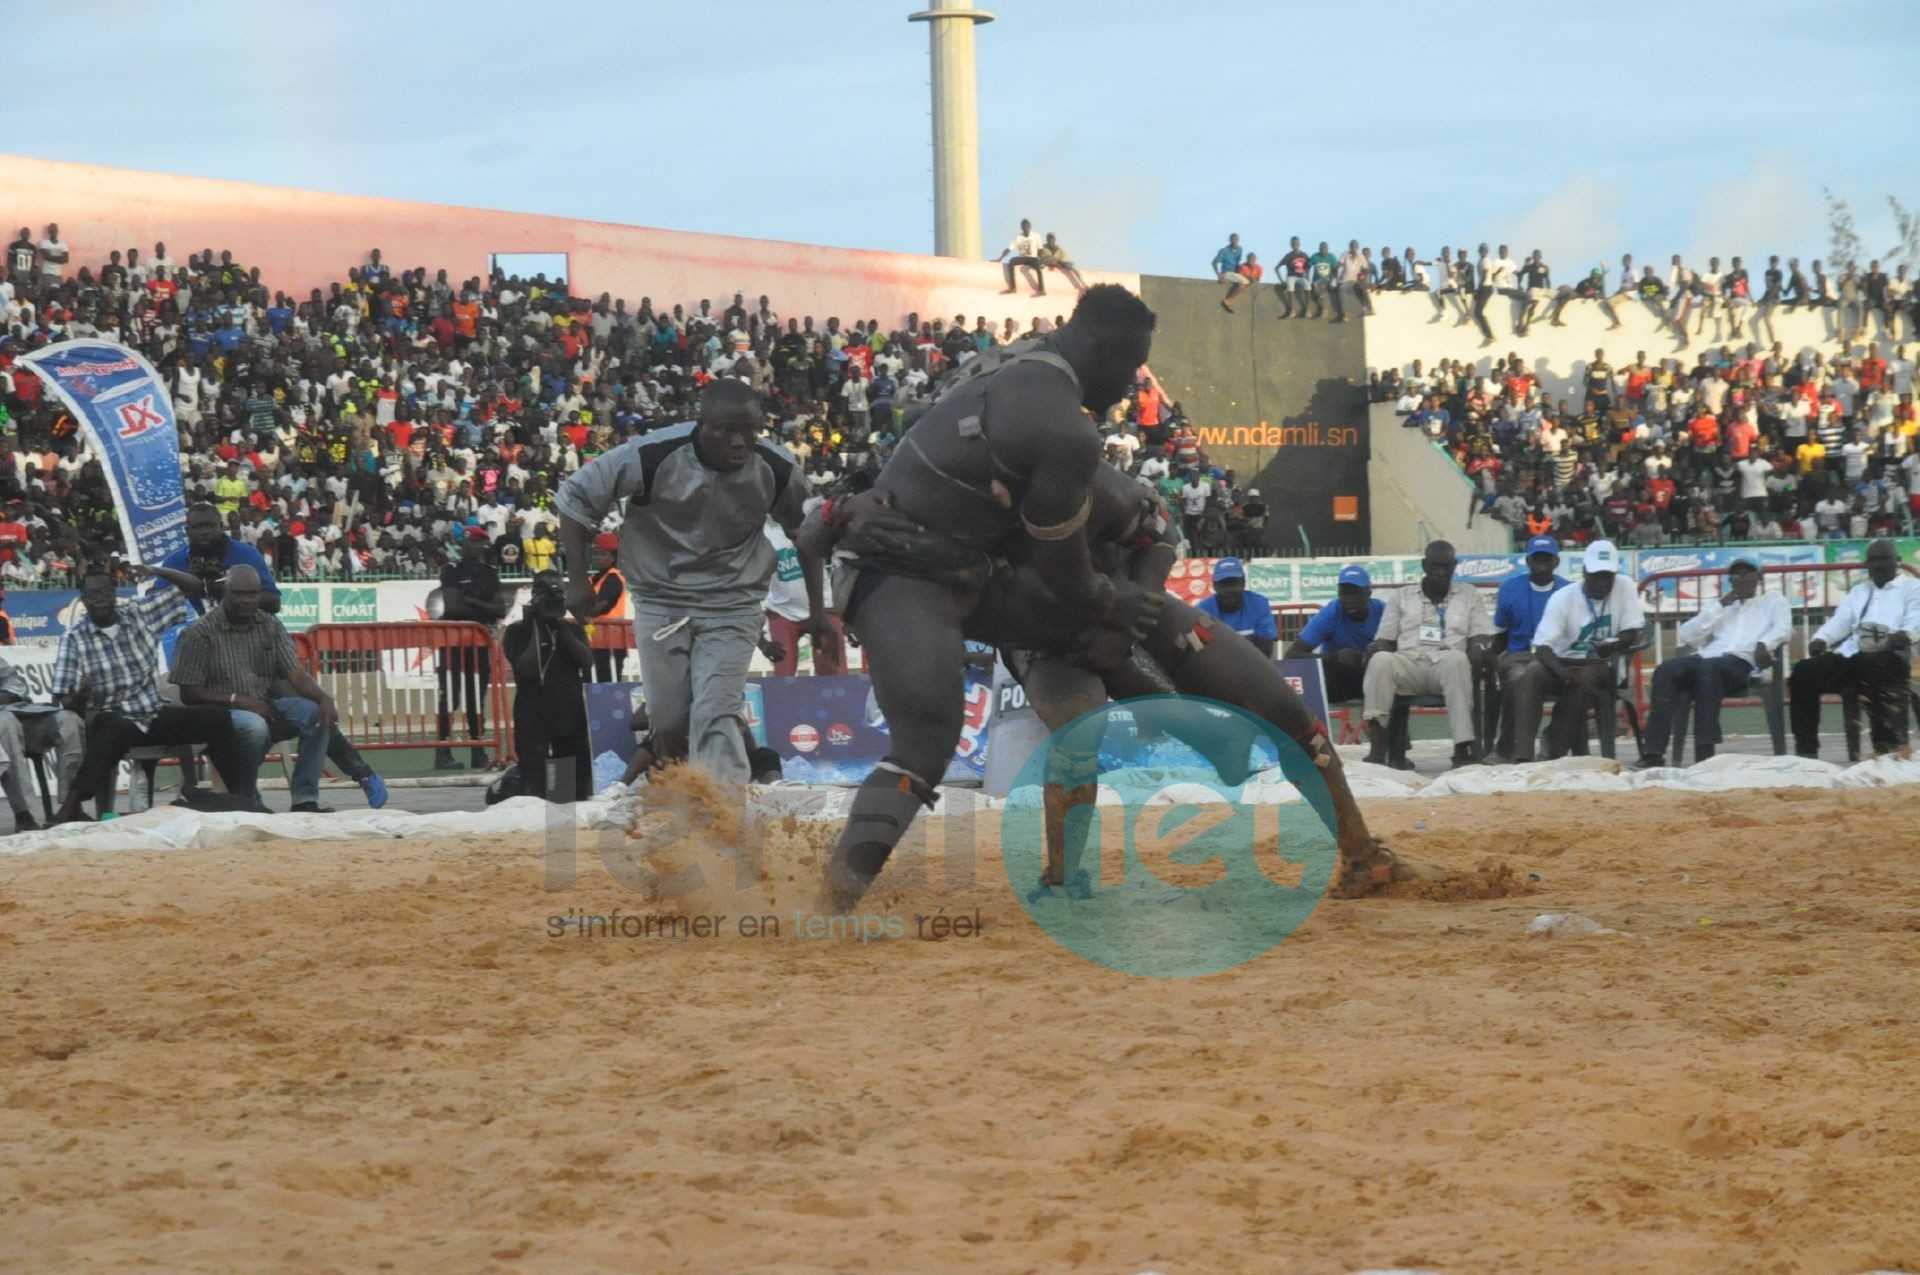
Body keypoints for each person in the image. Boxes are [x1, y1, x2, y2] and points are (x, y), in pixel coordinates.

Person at [813, 286, 1167, 911]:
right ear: (1106, 350)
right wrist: (1113, 602)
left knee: (1098, 657)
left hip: (974, 566)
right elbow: (1064, 573)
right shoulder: (1065, 432)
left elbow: (1134, 546)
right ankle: (830, 902)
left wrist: (1118, 606)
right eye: (1132, 367)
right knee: (927, 739)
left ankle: (1070, 860)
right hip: (903, 566)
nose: (1133, 386)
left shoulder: (1015, 362)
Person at [555, 379, 826, 784]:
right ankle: (686, 798)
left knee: (716, 711)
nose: (740, 441)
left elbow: (808, 534)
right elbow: (575, 498)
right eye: (726, 430)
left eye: (750, 430)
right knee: (666, 722)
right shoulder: (651, 454)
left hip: (733, 602)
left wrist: (818, 611)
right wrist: (577, 580)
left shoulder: (777, 466)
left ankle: (725, 817)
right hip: (661, 600)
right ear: (701, 424)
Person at [168, 565, 387, 813]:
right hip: (218, 713)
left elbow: (295, 674)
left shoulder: (269, 625)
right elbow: (189, 694)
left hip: (264, 704)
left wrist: (323, 697)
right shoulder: (199, 633)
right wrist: (239, 700)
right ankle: (248, 799)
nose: (247, 600)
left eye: (253, 594)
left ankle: (305, 800)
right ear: (225, 594)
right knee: (254, 725)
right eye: (239, 593)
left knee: (316, 714)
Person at [49, 570, 247, 823]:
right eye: (93, 594)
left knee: (216, 718)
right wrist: (80, 697)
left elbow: (193, 586)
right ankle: (71, 806)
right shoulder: (74, 638)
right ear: (84, 599)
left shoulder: (139, 614)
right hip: (111, 717)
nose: (100, 599)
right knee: (116, 728)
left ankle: (239, 795)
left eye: (106, 592)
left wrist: (155, 571)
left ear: (115, 595)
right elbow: (63, 701)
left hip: (153, 713)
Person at [1639, 556, 1791, 766]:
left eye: (1747, 573)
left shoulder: (1773, 600)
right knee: (1666, 670)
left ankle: (1705, 749)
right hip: (1707, 658)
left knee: (1710, 668)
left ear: (1759, 578)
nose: (1741, 578)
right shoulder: (1720, 606)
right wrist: (1720, 606)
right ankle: (1653, 753)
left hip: (1743, 663)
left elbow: (1784, 628)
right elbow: (1687, 636)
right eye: (1736, 574)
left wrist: (1765, 643)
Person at [1361, 539, 1494, 769]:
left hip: (1447, 664)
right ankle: (1377, 747)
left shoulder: (1469, 594)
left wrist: (1478, 648)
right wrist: (1376, 648)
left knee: (1458, 659)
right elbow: (1386, 639)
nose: (1441, 573)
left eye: (1447, 566)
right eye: (1436, 566)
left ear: (1455, 566)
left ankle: (1463, 749)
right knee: (1381, 660)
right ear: (1424, 565)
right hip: (1409, 663)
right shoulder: (1401, 597)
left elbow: (1480, 635)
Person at [1511, 541, 1646, 763]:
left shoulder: (1625, 586)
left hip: (1605, 665)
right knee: (1532, 674)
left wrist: (1611, 645)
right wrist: (1561, 672)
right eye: (1596, 576)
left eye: (1608, 576)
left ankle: (1553, 749)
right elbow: (1543, 646)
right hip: (1563, 663)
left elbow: (1633, 632)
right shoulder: (1563, 597)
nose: (1602, 583)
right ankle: (1523, 756)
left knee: (1584, 677)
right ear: (1584, 572)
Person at [1789, 538, 1920, 758]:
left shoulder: (1912, 587)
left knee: (1878, 668)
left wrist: (1905, 634)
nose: (1878, 565)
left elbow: (1917, 617)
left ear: (1896, 561)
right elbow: (1840, 621)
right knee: (1804, 672)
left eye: (1884, 559)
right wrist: (1821, 638)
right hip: (1853, 656)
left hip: (1891, 655)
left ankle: (1886, 749)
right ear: (1866, 565)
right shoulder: (1859, 591)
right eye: (1873, 560)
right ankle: (1807, 751)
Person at [503, 570, 593, 801]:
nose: (553, 599)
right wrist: (536, 625)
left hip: (568, 714)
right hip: (533, 715)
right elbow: (527, 669)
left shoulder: (572, 630)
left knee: (566, 792)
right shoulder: (517, 631)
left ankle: (562, 832)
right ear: (534, 595)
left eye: (558, 593)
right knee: (534, 788)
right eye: (546, 593)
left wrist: (560, 626)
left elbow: (586, 661)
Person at [435, 526, 511, 769]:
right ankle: (443, 751)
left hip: (477, 644)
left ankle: (478, 748)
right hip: (454, 642)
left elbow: (500, 609)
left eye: (476, 543)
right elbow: (453, 606)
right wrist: (482, 608)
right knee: (450, 696)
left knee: (476, 697)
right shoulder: (450, 571)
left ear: (483, 545)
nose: (471, 547)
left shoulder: (489, 573)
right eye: (467, 543)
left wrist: (471, 600)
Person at [1489, 536, 1570, 761]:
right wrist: (1490, 657)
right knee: (1519, 677)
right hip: (1519, 655)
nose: (1542, 563)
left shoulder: (1569, 590)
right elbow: (1500, 635)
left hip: (1558, 656)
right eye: (1537, 558)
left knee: (1575, 682)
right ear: (1527, 561)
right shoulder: (1509, 589)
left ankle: (1551, 739)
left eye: (1547, 558)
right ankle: (1508, 746)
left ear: (1556, 561)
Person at [147, 502, 282, 616]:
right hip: (197, 636)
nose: (204, 532)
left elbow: (274, 602)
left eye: (210, 526)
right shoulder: (174, 561)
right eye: (197, 527)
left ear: (222, 528)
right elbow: (152, 605)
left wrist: (228, 592)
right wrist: (186, 584)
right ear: (187, 531)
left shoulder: (247, 554)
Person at [0, 654, 83, 831]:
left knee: (68, 720)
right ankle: (25, 814)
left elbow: (14, 683)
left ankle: (71, 805)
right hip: (5, 724)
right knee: (7, 725)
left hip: (16, 710)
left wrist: (7, 694)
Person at [1282, 564, 1382, 704]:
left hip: (1375, 675)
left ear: (1368, 594)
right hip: (1338, 679)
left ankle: (1395, 726)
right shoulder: (1330, 613)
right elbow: (1292, 655)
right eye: (1344, 593)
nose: (1349, 598)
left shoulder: (1384, 611)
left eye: (1355, 592)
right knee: (1317, 675)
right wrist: (1333, 657)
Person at [764, 516, 844, 675]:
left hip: (824, 606)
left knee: (833, 671)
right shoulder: (761, 527)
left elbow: (841, 561)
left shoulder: (814, 516)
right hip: (783, 610)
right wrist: (761, 641)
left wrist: (850, 617)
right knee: (783, 675)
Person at [1196, 557, 1277, 656]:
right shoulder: (1203, 609)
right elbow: (1198, 648)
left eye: (1234, 583)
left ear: (1243, 583)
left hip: (1252, 665)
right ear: (1215, 586)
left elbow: (1266, 650)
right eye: (1224, 585)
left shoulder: (1259, 605)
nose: (1230, 590)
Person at [586, 531, 629, 683]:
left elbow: (599, 606)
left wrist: (581, 612)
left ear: (613, 557)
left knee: (608, 682)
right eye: (595, 553)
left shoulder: (613, 578)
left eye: (602, 554)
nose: (597, 557)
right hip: (598, 639)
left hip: (611, 641)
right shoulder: (596, 578)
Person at [997, 219, 1045, 296]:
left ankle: (1042, 289)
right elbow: (1009, 249)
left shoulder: (1036, 235)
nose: (1026, 228)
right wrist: (1000, 258)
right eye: (1024, 227)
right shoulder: (1018, 237)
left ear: (1030, 227)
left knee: (1038, 267)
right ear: (1022, 228)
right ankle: (1013, 287)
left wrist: (1042, 261)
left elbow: (1040, 249)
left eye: (1027, 226)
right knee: (1011, 261)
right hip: (1023, 257)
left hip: (1033, 258)